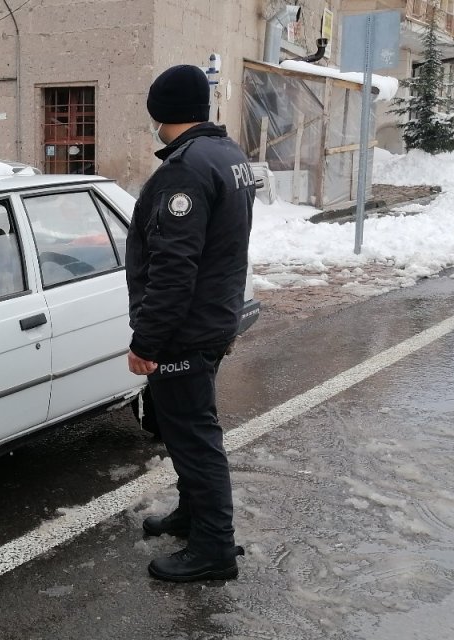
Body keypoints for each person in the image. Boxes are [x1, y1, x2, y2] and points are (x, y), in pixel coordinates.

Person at [126, 64, 255, 582]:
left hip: (186, 329)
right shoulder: (227, 155)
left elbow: (175, 267)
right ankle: (193, 515)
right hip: (212, 319)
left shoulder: (184, 169)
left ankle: (214, 549)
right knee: (184, 434)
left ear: (162, 111)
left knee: (196, 440)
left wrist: (147, 341)